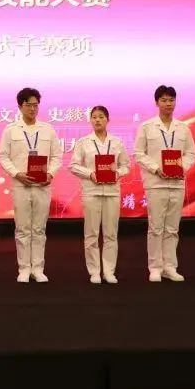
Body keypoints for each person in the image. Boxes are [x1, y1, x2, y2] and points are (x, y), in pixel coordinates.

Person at [0, 88, 63, 283]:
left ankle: (38, 268)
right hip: (21, 185)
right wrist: (17, 174)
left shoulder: (48, 129)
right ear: (20, 106)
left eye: (36, 105)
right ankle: (24, 269)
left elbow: (57, 156)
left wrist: (50, 173)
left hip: (43, 185)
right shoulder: (11, 130)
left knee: (39, 229)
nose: (33, 109)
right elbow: (3, 156)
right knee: (23, 228)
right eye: (29, 105)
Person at [134, 85, 195, 282]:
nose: (168, 104)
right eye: (164, 100)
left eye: (171, 100)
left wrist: (181, 167)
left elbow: (191, 153)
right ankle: (155, 267)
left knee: (172, 228)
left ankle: (170, 266)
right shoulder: (146, 127)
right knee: (156, 227)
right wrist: (155, 168)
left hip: (177, 183)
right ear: (157, 103)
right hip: (156, 183)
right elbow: (139, 153)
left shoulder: (183, 127)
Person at [69, 105, 130, 284]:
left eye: (101, 116)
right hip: (92, 191)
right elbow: (73, 165)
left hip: (112, 192)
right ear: (90, 120)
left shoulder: (117, 142)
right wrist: (90, 174)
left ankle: (109, 271)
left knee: (111, 233)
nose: (97, 120)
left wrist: (117, 173)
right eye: (94, 117)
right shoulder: (83, 142)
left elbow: (126, 165)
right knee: (91, 233)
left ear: (107, 120)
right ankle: (94, 271)